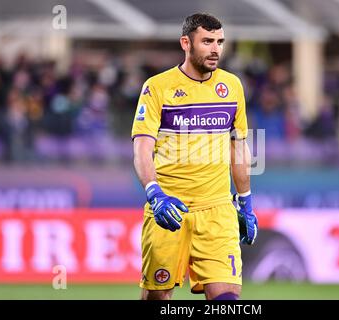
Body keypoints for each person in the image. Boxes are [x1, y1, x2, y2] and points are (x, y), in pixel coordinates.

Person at [131, 13, 258, 300]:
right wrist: (155, 193)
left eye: (220, 42)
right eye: (207, 41)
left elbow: (238, 147)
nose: (216, 49)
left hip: (217, 211)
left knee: (227, 298)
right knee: (157, 298)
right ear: (186, 43)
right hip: (169, 209)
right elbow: (141, 149)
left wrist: (246, 201)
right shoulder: (157, 87)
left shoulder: (232, 86)